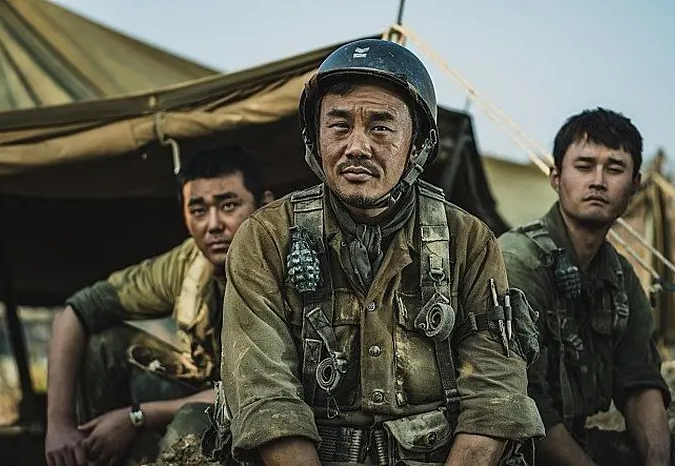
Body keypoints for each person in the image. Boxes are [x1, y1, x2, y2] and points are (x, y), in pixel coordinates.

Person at [220, 38, 544, 466]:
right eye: (339, 125)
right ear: (315, 138)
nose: (357, 146)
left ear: (418, 144)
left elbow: (494, 397)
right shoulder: (266, 237)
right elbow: (265, 396)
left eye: (380, 127)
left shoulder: (468, 241)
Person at [44, 145, 273, 466]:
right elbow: (74, 313)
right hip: (204, 388)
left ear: (265, 205)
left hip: (265, 407)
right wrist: (59, 426)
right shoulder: (188, 262)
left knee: (194, 420)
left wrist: (137, 416)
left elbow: (260, 387)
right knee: (105, 346)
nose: (213, 225)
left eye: (229, 205)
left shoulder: (287, 264)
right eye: (198, 210)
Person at [499, 108, 675, 465]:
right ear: (556, 178)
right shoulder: (519, 261)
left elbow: (640, 380)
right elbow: (519, 403)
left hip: (572, 438)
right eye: (584, 166)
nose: (598, 181)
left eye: (614, 169)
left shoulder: (620, 277)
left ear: (634, 185)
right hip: (511, 445)